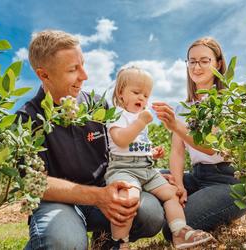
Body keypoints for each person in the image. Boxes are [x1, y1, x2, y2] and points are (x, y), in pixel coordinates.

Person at [16, 30, 164, 250]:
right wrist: (97, 197)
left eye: (82, 64)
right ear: (44, 75)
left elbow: (121, 147)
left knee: (150, 214)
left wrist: (155, 174)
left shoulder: (97, 106)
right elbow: (35, 182)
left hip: (105, 191)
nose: (84, 75)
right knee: (63, 242)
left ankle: (104, 239)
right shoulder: (27, 118)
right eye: (73, 69)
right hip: (59, 203)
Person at [152, 37, 246, 241]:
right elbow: (177, 153)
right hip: (198, 177)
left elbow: (213, 149)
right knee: (150, 177)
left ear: (218, 64)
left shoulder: (228, 101)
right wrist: (179, 184)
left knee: (172, 230)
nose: (197, 67)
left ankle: (222, 212)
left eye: (204, 61)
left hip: (228, 182)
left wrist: (175, 126)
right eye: (192, 61)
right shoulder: (182, 108)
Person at [106, 66, 213, 250]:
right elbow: (121, 140)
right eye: (137, 92)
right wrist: (141, 122)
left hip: (146, 169)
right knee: (128, 198)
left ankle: (179, 232)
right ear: (120, 92)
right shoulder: (117, 114)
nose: (142, 98)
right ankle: (120, 242)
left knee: (172, 194)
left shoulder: (141, 117)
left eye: (146, 95)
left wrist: (150, 151)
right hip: (123, 168)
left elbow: (135, 145)